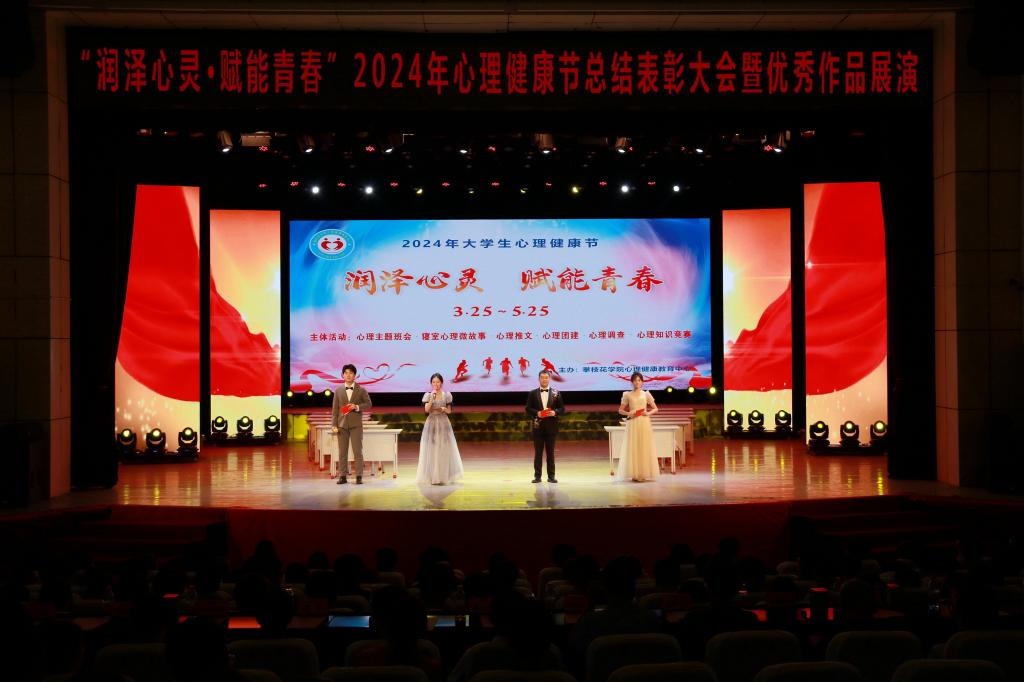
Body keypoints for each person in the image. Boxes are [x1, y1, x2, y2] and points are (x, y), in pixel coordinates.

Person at [417, 373, 464, 485]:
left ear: (441, 383)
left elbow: (449, 411)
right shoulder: (428, 395)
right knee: (432, 449)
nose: (436, 384)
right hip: (432, 422)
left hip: (443, 422)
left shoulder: (446, 395)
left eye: (438, 382)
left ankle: (443, 476)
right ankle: (432, 476)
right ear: (431, 383)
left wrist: (444, 409)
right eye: (433, 382)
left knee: (443, 448)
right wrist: (431, 399)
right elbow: (427, 410)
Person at [332, 363, 372, 484]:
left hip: (356, 425)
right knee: (342, 452)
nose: (348, 375)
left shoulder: (361, 389)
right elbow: (335, 410)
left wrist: (357, 406)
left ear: (355, 375)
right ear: (343, 375)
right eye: (346, 373)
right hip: (342, 425)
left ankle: (359, 476)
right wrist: (334, 425)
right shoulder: (338, 390)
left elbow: (369, 404)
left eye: (351, 373)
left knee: (357, 451)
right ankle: (342, 476)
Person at [616, 371, 660, 481]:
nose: (637, 382)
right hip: (633, 422)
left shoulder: (646, 394)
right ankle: (634, 473)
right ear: (632, 382)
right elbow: (620, 410)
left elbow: (656, 408)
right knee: (634, 446)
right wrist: (628, 413)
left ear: (642, 382)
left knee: (644, 446)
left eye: (639, 380)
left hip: (644, 422)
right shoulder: (628, 395)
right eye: (635, 380)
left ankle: (643, 473)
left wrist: (648, 413)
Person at [526, 370, 565, 483]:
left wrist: (555, 412)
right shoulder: (533, 393)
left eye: (546, 377)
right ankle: (537, 476)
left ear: (549, 379)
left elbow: (562, 409)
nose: (544, 380)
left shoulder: (556, 393)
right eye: (542, 377)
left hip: (551, 427)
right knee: (538, 453)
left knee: (550, 453)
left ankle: (551, 476)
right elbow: (528, 408)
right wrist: (537, 413)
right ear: (539, 379)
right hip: (538, 427)